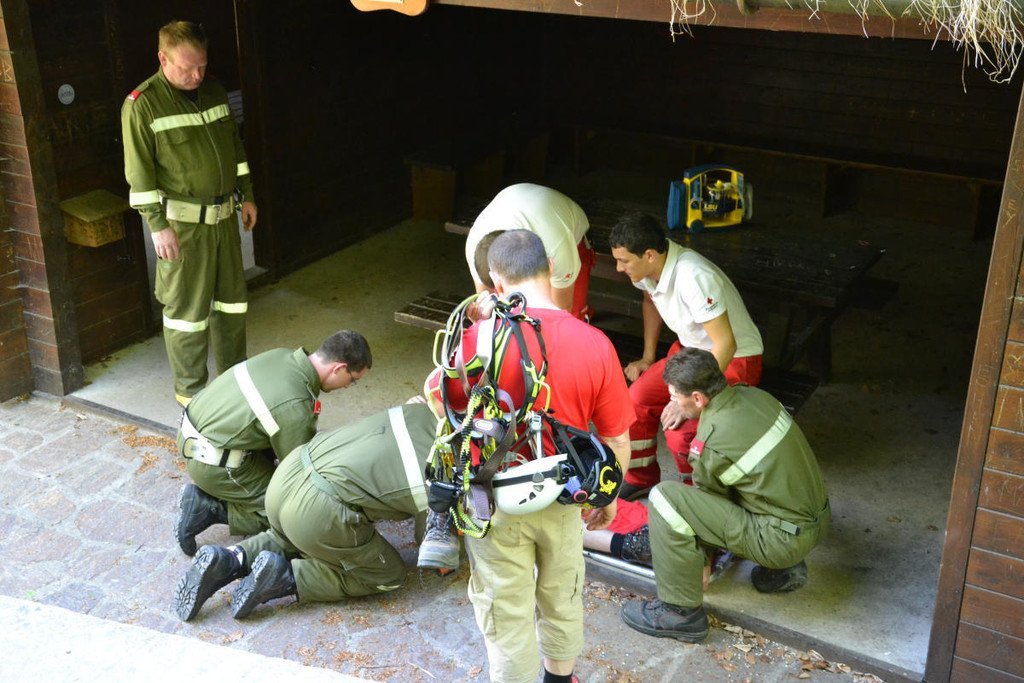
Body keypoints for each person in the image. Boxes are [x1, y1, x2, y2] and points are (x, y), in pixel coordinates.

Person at [432, 230, 633, 683]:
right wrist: (608, 497)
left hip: (493, 499)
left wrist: (473, 326)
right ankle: (560, 679)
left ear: (496, 281)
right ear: (552, 269)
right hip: (564, 495)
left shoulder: (477, 339)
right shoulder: (595, 342)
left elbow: (443, 406)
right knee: (563, 592)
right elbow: (617, 438)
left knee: (504, 607)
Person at [620, 348, 830, 643]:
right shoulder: (756, 397)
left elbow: (706, 509)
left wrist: (702, 560)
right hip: (815, 523)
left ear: (697, 398)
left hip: (781, 541)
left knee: (666, 498)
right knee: (754, 482)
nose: (671, 403)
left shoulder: (712, 441)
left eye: (674, 396)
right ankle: (785, 569)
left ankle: (680, 612)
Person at [175, 403, 436, 621]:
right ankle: (286, 577)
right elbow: (427, 539)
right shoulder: (444, 471)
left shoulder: (417, 410)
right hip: (319, 510)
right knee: (388, 576)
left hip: (288, 474)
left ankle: (230, 559)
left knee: (289, 536)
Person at [121, 20, 259, 407]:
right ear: (163, 58)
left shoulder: (213, 91)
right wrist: (157, 226)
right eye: (186, 68)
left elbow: (235, 149)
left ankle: (234, 392)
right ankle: (193, 402)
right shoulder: (142, 105)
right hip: (182, 230)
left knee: (232, 308)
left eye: (202, 65)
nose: (196, 75)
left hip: (224, 221)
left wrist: (247, 195)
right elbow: (139, 175)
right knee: (187, 317)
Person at [608, 212, 764, 500]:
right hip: (691, 352)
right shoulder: (647, 271)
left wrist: (686, 400)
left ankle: (699, 497)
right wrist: (647, 357)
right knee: (636, 399)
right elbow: (650, 301)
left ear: (650, 255)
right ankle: (641, 477)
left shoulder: (694, 277)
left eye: (624, 261)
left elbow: (726, 345)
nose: (618, 268)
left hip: (732, 359)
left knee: (681, 432)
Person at [175, 330, 371, 556]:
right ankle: (208, 509)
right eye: (353, 380)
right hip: (212, 463)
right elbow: (299, 470)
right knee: (294, 516)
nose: (348, 386)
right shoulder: (296, 404)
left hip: (195, 434)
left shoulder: (283, 356)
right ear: (338, 368)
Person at [465, 183, 594, 319]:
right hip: (524, 207)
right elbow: (486, 302)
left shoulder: (555, 248)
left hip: (566, 229)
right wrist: (480, 319)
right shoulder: (475, 248)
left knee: (573, 317)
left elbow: (561, 314)